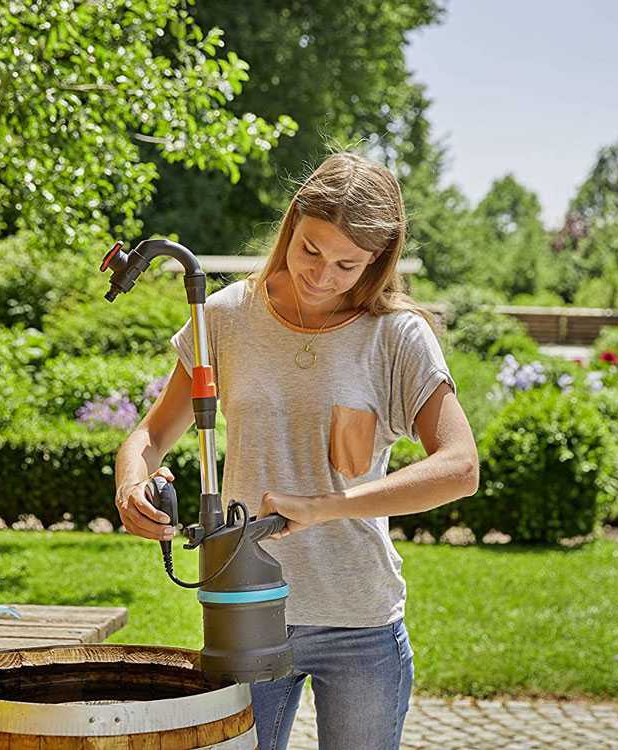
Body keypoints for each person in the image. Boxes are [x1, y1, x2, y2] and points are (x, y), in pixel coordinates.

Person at [113, 151, 479, 750]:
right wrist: (132, 484)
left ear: (376, 262)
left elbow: (460, 468)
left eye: (347, 264)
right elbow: (148, 437)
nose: (321, 275)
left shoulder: (395, 335)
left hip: (359, 617)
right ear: (292, 223)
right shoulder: (228, 316)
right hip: (245, 611)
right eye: (310, 249)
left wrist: (326, 505)